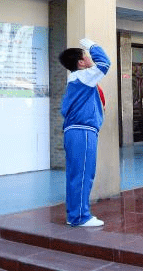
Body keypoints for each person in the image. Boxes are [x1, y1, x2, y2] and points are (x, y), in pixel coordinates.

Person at [58, 38, 110, 227]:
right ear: (81, 63)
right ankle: (80, 216)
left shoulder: (77, 79)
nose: (90, 58)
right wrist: (93, 46)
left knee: (76, 173)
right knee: (83, 173)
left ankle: (75, 214)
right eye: (87, 56)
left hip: (77, 131)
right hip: (83, 131)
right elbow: (105, 63)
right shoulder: (83, 76)